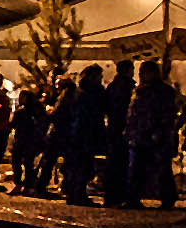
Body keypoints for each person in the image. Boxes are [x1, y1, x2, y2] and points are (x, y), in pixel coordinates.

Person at [123, 58, 179, 209]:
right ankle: (133, 199)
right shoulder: (139, 90)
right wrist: (129, 130)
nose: (141, 75)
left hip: (156, 136)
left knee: (162, 169)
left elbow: (168, 114)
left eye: (143, 72)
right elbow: (133, 112)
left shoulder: (164, 91)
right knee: (136, 168)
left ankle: (167, 199)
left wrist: (160, 131)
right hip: (139, 135)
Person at [45, 77, 89, 204]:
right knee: (68, 162)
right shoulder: (74, 96)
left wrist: (49, 111)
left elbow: (57, 114)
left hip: (62, 133)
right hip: (68, 133)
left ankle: (67, 189)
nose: (56, 88)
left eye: (58, 86)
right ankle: (68, 188)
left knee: (53, 160)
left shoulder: (66, 98)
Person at [75, 65, 110, 206]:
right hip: (86, 133)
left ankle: (77, 194)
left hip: (82, 132)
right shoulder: (90, 93)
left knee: (83, 164)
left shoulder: (81, 91)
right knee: (83, 165)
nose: (101, 79)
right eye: (99, 76)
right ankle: (78, 195)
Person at [7, 86, 51, 195]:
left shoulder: (22, 111)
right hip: (31, 140)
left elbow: (12, 124)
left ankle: (20, 184)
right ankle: (27, 185)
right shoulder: (38, 110)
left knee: (19, 161)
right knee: (28, 163)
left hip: (23, 139)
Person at [104, 59, 136, 204]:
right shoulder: (128, 87)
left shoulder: (112, 87)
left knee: (113, 162)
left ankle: (111, 195)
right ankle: (120, 194)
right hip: (123, 128)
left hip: (113, 128)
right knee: (122, 163)